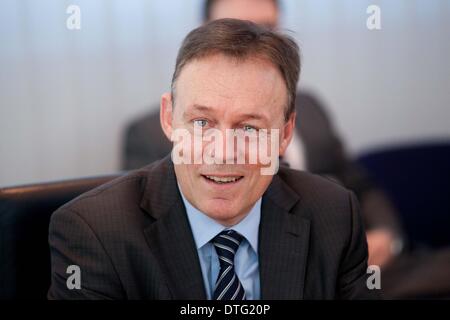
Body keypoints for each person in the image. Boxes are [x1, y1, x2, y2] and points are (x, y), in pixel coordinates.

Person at [48, 19, 377, 300]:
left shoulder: (333, 215)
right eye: (202, 123)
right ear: (168, 118)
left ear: (286, 133)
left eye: (248, 127)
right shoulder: (93, 232)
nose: (222, 152)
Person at [123, 0, 404, 270]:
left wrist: (387, 236)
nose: (254, 40)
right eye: (202, 122)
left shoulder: (311, 108)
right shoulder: (147, 134)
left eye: (266, 28)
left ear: (286, 130)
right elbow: (148, 220)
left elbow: (358, 185)